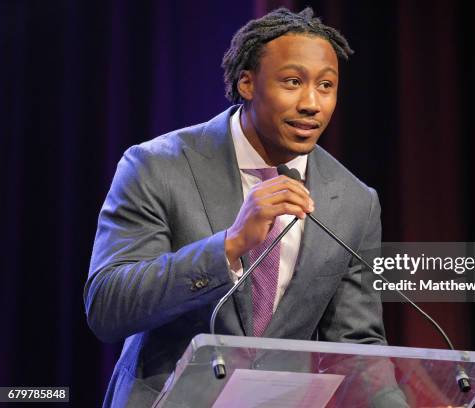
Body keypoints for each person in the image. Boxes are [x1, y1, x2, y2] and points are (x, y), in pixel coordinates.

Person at [85, 7, 387, 407]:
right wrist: (228, 246)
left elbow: (357, 347)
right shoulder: (157, 166)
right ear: (247, 83)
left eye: (326, 86)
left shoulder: (354, 201)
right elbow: (108, 305)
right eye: (293, 82)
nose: (312, 103)